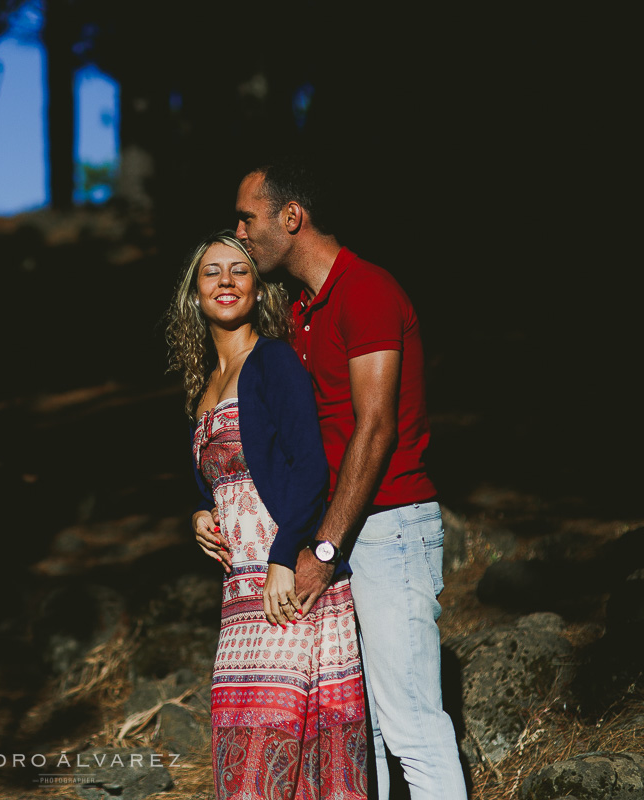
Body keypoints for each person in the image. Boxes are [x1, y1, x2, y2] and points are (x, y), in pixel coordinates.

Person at [208, 160, 467, 800]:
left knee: (410, 725)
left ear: (290, 217)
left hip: (388, 526)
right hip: (343, 532)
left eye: (248, 216)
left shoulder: (367, 290)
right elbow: (290, 444)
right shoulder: (300, 313)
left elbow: (374, 429)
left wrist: (322, 548)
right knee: (362, 735)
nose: (238, 231)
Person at [167, 231, 368, 800]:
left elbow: (311, 467)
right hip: (238, 595)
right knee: (245, 747)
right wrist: (200, 515)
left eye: (239, 270)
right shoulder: (201, 388)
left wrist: (285, 559)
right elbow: (222, 479)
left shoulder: (274, 361)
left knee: (286, 748)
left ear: (258, 290)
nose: (226, 281)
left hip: (287, 581)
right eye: (212, 272)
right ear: (194, 294)